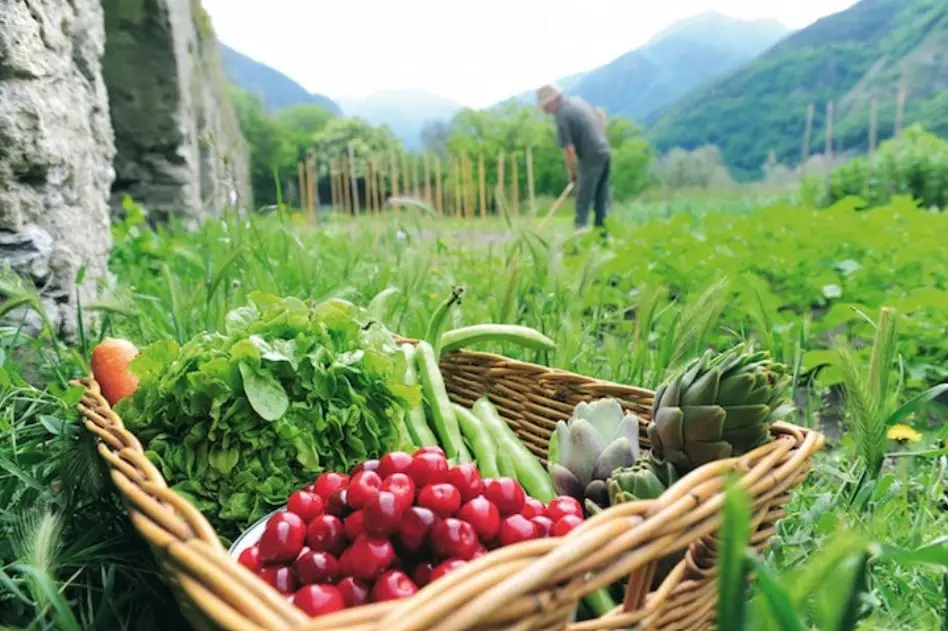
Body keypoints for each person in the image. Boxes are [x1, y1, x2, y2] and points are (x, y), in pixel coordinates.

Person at [537, 84, 612, 231]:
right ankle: (603, 239)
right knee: (600, 200)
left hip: (590, 155)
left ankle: (579, 244)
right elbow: (599, 114)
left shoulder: (562, 115)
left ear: (553, 101)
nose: (545, 111)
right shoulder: (577, 101)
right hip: (604, 150)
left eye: (546, 106)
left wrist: (572, 173)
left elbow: (569, 149)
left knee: (582, 203)